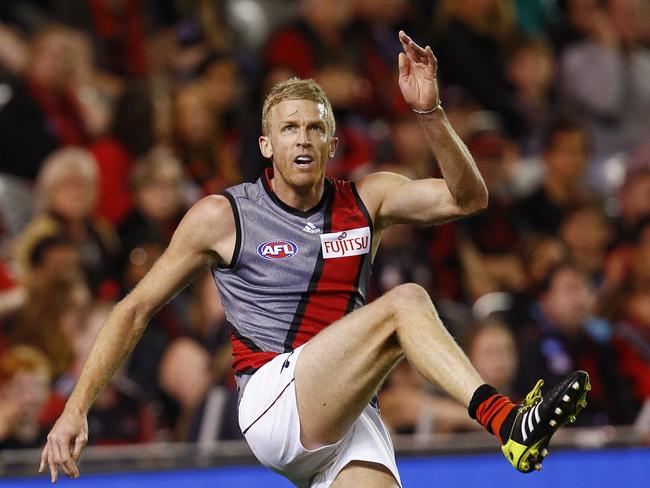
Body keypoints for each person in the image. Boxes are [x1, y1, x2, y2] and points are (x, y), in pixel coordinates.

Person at [40, 32, 590, 486]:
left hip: (346, 409)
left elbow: (468, 199)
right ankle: (507, 420)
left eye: (314, 128)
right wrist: (76, 406)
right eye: (288, 128)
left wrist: (430, 111)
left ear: (331, 144)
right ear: (265, 145)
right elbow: (133, 310)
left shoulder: (368, 199)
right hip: (272, 400)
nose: (301, 139)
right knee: (405, 303)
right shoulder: (223, 215)